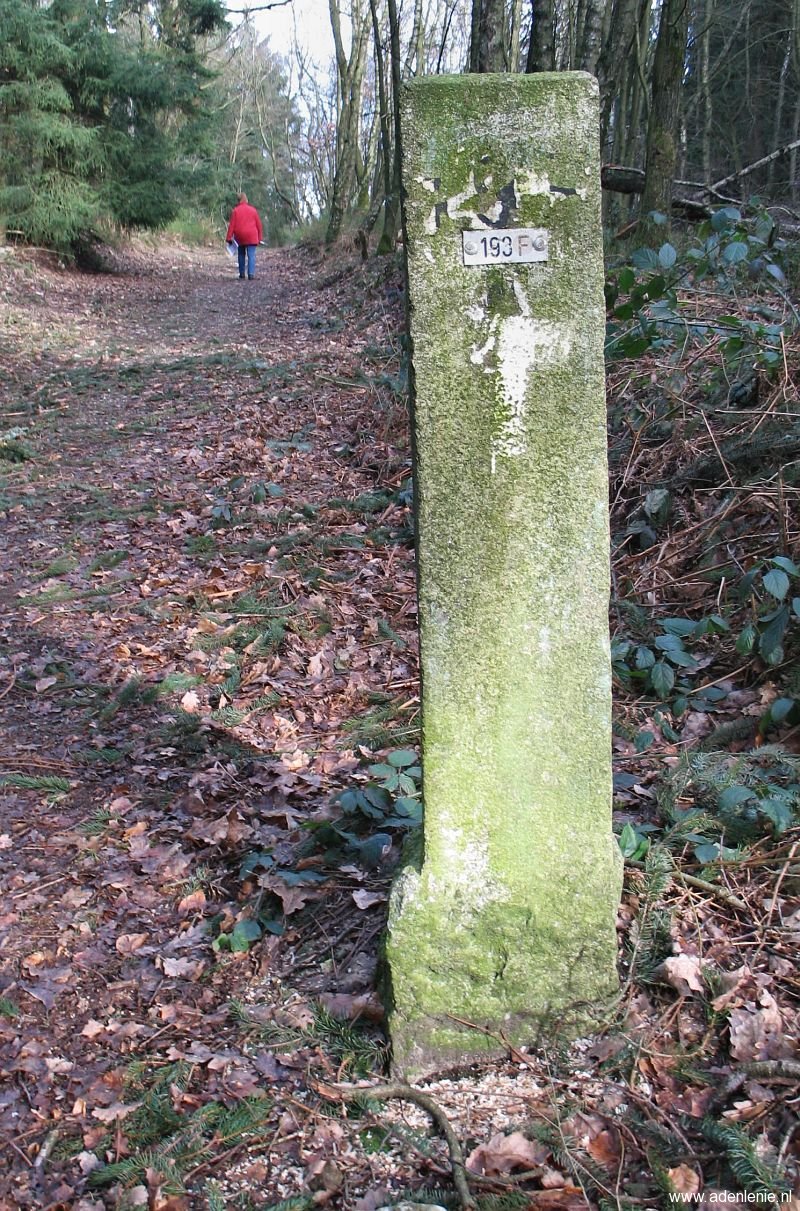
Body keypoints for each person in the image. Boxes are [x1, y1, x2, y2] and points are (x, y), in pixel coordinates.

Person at [226, 193, 263, 280]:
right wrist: (259, 238)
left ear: (238, 201)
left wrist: (228, 238)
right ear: (246, 200)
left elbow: (231, 226)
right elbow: (259, 225)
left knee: (241, 254)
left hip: (240, 236)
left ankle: (242, 274)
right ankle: (251, 274)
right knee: (251, 255)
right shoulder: (253, 210)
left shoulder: (235, 211)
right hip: (252, 236)